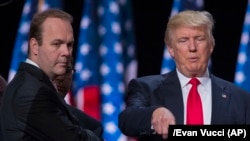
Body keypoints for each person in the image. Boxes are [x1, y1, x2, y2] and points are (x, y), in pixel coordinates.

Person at [118, 10, 250, 141]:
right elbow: (127, 120)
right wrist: (153, 114)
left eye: (199, 39)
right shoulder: (147, 88)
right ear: (171, 49)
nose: (192, 47)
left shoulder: (240, 98)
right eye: (183, 40)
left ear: (211, 46)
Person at [0, 8, 100, 141]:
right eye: (57, 44)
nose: (66, 52)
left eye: (69, 45)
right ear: (35, 46)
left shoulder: (33, 84)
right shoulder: (31, 91)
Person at [53, 60, 104, 141]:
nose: (60, 78)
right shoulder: (26, 115)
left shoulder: (92, 127)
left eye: (67, 70)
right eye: (53, 70)